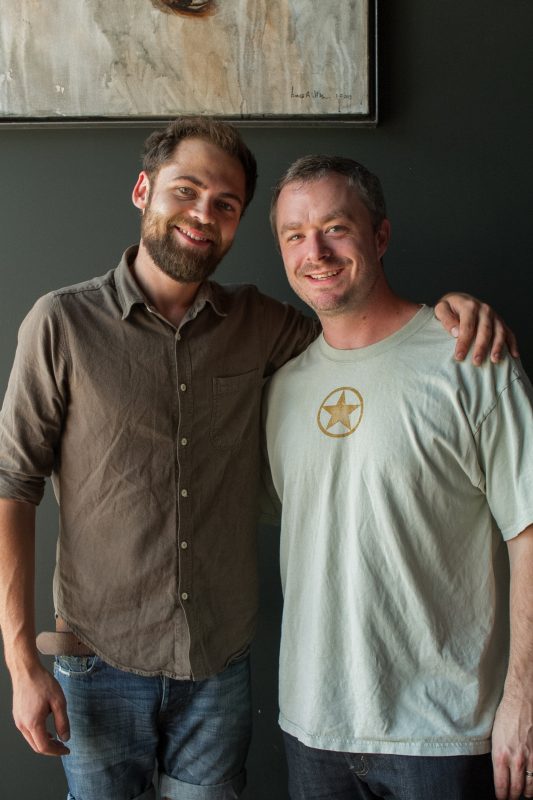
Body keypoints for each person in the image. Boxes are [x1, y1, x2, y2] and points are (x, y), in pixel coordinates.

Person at [0, 117, 517, 800]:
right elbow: (12, 484)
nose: (202, 214)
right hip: (99, 665)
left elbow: (360, 332)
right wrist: (20, 662)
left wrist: (450, 313)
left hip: (218, 671)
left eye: (225, 204)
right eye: (186, 191)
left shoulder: (264, 324)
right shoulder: (61, 323)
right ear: (143, 189)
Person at [264, 155, 533, 800]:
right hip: (312, 731)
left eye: (336, 228)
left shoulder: (472, 359)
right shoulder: (281, 388)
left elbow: (528, 532)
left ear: (380, 235)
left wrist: (523, 698)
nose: (315, 252)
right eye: (295, 235)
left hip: (443, 736)